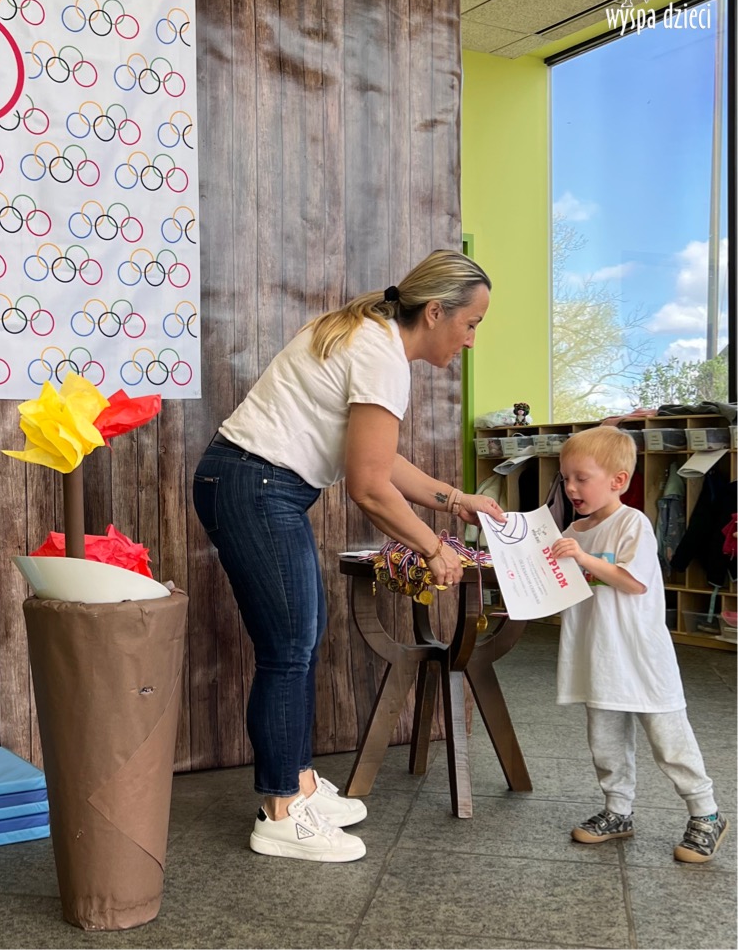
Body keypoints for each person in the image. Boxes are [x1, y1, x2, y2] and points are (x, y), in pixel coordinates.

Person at [191, 248, 504, 863]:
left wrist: (453, 500)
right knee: (288, 649)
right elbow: (369, 486)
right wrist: (432, 547)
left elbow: (377, 458)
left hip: (254, 483)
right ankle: (281, 812)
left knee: (300, 640)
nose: (471, 340)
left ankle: (299, 784)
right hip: (257, 486)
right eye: (470, 324)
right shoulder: (381, 356)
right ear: (435, 312)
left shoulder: (369, 336)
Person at [550, 426, 728, 863]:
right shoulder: (574, 529)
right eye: (565, 478)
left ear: (618, 480)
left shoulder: (632, 523)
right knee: (605, 741)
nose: (570, 488)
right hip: (598, 654)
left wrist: (583, 558)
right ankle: (618, 810)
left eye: (581, 478)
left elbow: (634, 583)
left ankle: (706, 813)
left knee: (669, 739)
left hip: (641, 656)